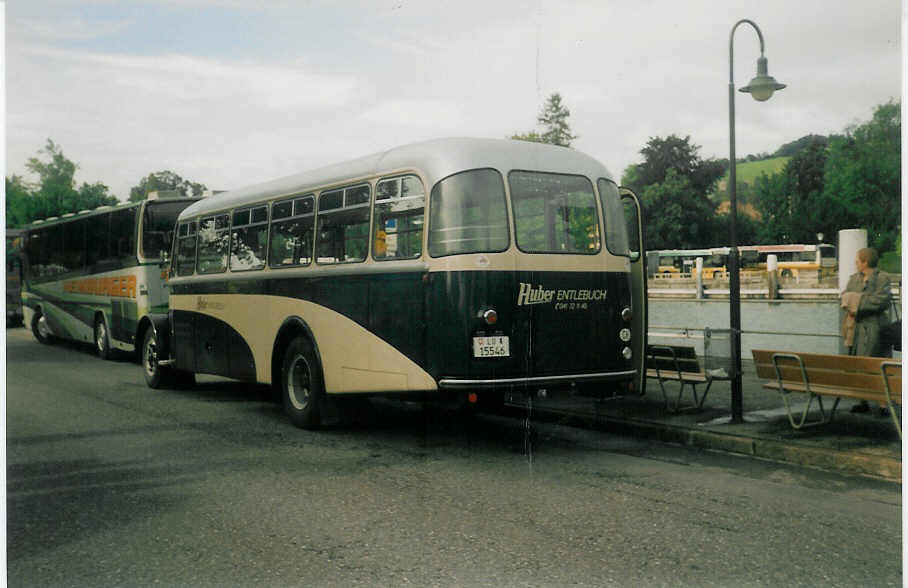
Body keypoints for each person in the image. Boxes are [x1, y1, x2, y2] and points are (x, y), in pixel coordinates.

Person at [840, 247, 892, 413]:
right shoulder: (853, 278)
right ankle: (863, 400)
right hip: (856, 328)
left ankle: (883, 404)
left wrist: (857, 302)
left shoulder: (882, 278)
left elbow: (881, 300)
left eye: (857, 260)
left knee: (878, 364)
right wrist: (858, 301)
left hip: (876, 327)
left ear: (865, 262)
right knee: (859, 363)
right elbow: (844, 297)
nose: (855, 263)